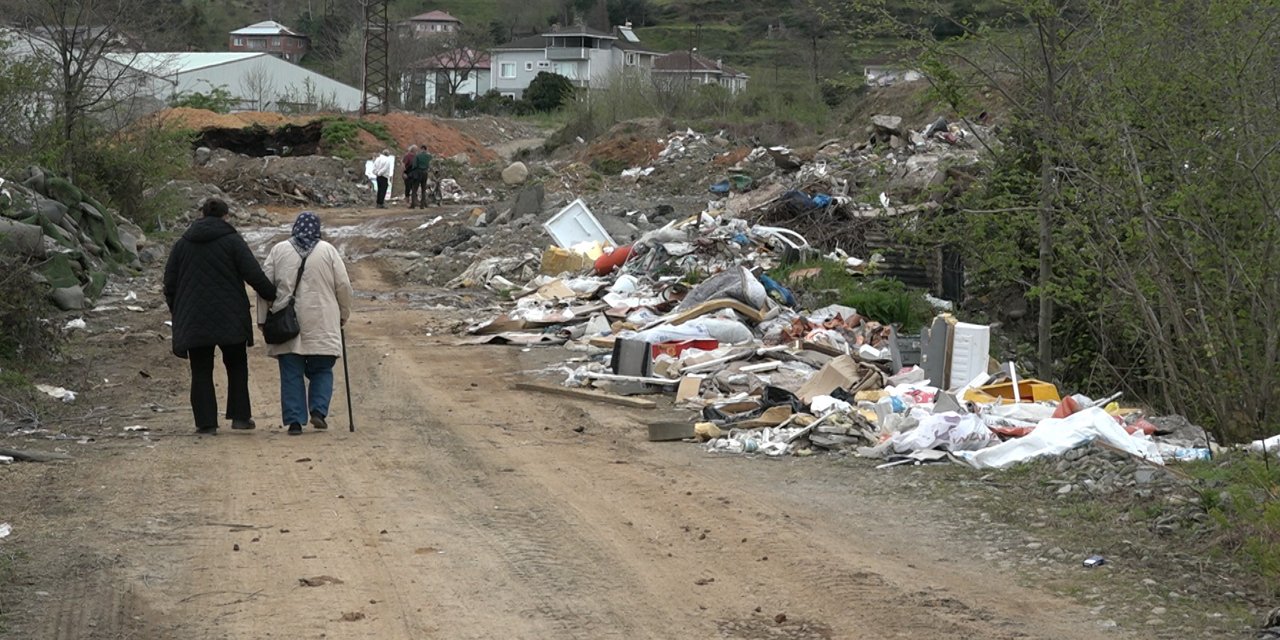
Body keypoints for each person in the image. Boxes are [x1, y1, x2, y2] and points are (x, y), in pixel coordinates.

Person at [164, 198, 277, 435]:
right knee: (236, 364)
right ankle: (240, 418)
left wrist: (178, 310)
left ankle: (206, 423)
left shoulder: (183, 244)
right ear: (226, 216)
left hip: (193, 317)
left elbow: (169, 283)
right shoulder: (232, 241)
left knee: (201, 369)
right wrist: (271, 295)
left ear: (202, 215)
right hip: (231, 315)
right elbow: (252, 273)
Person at [258, 212, 353, 436]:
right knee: (322, 368)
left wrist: (262, 318)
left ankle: (294, 422)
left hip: (286, 320)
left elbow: (264, 286)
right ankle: (318, 411)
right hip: (323, 319)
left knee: (291, 370)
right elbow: (344, 286)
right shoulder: (328, 251)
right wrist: (343, 313)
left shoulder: (279, 250)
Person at [410, 144, 433, 209]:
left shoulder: (417, 156)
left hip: (418, 172)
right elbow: (430, 165)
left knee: (414, 189)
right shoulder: (429, 156)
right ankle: (422, 205)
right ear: (426, 149)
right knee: (423, 189)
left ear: (421, 149)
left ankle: (413, 204)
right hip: (425, 173)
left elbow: (414, 165)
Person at [401, 144, 419, 209]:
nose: (417, 151)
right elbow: (403, 165)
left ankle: (414, 201)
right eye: (416, 150)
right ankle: (407, 201)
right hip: (408, 174)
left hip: (414, 174)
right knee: (408, 188)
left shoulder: (416, 156)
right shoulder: (407, 156)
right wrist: (403, 173)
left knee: (414, 188)